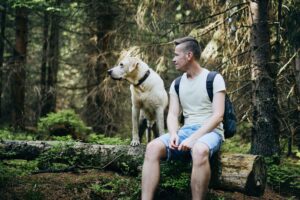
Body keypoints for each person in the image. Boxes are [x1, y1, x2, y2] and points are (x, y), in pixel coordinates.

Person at [141, 36, 226, 200]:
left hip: (211, 132)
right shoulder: (177, 83)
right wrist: (173, 134)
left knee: (199, 150)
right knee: (152, 148)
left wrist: (194, 139)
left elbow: (218, 116)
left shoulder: (214, 79)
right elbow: (172, 114)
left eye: (176, 55)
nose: (173, 59)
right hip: (185, 132)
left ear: (189, 55)